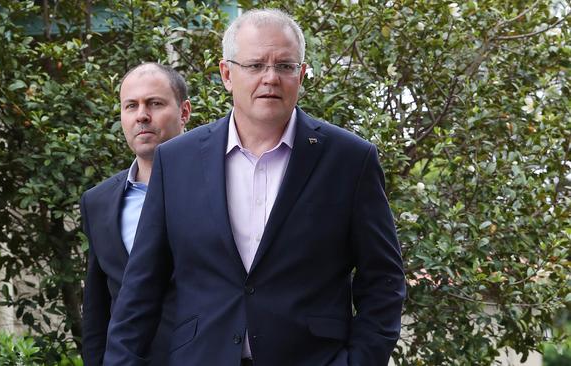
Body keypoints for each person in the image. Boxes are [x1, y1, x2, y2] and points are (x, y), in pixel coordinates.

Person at [104, 9, 405, 366]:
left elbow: (383, 279)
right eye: (255, 65)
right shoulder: (177, 161)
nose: (270, 78)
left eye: (285, 66)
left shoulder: (349, 160)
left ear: (302, 74)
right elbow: (141, 286)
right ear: (227, 74)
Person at [79, 63, 191, 365]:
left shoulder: (217, 185)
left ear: (184, 113)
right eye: (131, 106)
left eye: (155, 103)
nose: (142, 115)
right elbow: (98, 307)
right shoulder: (97, 202)